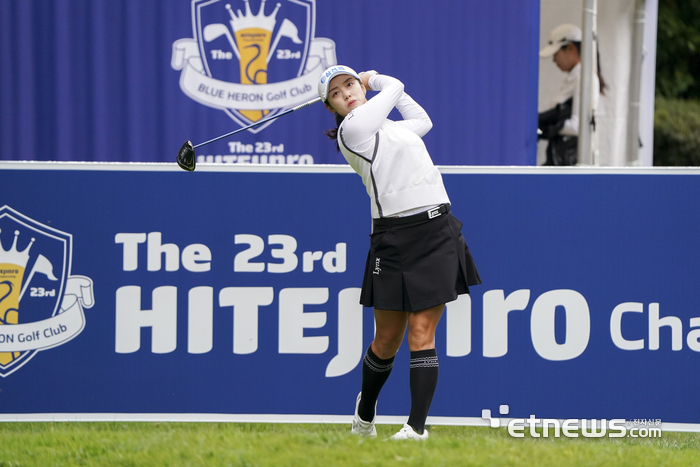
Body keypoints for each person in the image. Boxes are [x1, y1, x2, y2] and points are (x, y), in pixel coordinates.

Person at [317, 65, 481, 440]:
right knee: (387, 339)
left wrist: (371, 84)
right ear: (334, 108)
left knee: (422, 332)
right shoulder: (352, 130)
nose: (347, 94)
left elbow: (421, 119)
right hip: (393, 238)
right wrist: (373, 79)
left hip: (436, 229)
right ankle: (365, 412)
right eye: (337, 94)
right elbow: (396, 87)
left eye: (350, 85)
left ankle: (415, 429)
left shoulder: (391, 129)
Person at [538, 24, 607, 165]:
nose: (553, 60)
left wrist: (547, 128)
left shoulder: (585, 78)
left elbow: (579, 126)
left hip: (570, 163)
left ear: (570, 48)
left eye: (555, 54)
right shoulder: (575, 78)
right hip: (560, 159)